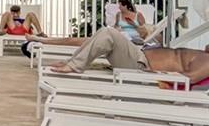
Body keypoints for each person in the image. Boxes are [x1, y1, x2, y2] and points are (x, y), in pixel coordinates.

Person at [47, 36, 209, 86]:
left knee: (108, 34)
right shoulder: (200, 54)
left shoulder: (206, 60)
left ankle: (73, 65)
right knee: (103, 35)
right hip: (139, 56)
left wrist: (153, 74)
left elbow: (188, 78)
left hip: (141, 66)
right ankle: (72, 62)